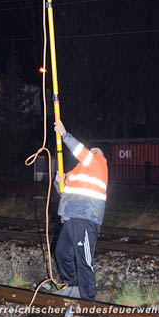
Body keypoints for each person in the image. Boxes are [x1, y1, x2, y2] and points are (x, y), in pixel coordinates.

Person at [53, 119, 108, 301]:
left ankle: (88, 299)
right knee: (62, 253)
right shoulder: (77, 171)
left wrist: (64, 133)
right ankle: (73, 286)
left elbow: (81, 151)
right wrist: (59, 182)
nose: (93, 151)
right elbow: (63, 192)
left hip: (85, 216)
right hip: (70, 217)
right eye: (92, 150)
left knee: (84, 261)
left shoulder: (99, 163)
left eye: (96, 150)